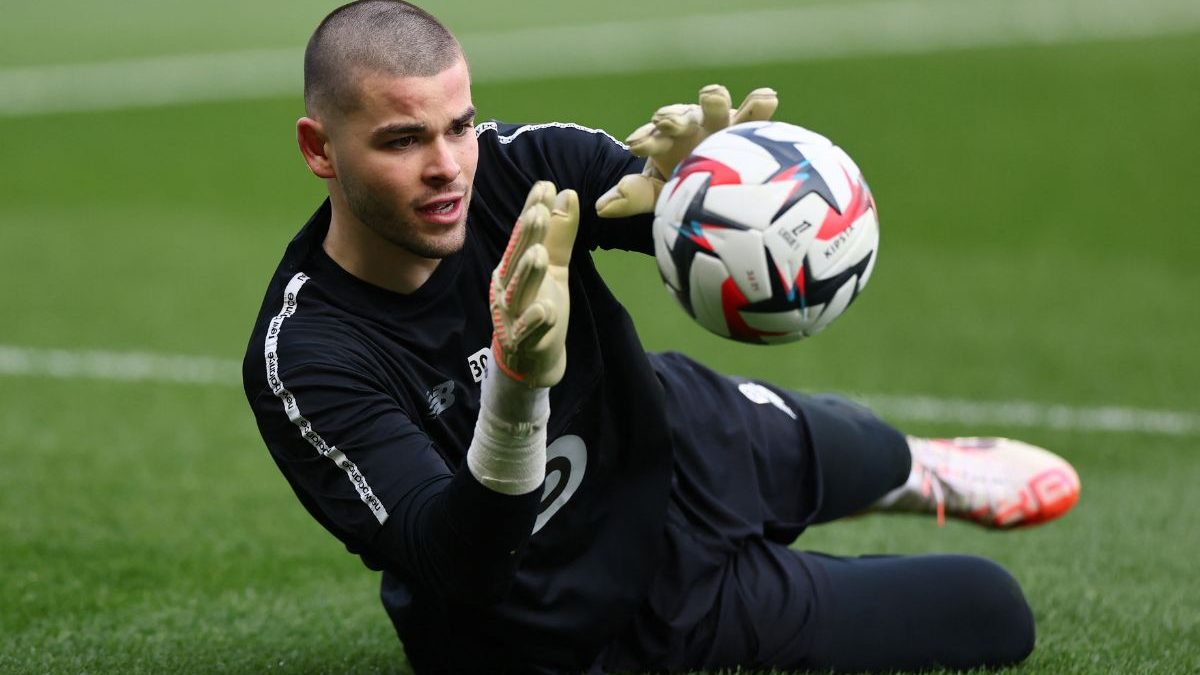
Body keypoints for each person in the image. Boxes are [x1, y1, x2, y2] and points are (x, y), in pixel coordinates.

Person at [241, 2, 1081, 673]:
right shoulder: (308, 353)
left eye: (458, 125)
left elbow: (690, 236)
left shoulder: (519, 166)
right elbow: (455, 561)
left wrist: (718, 181)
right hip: (591, 620)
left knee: (867, 452)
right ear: (321, 149)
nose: (449, 167)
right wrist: (516, 388)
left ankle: (919, 471)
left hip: (681, 439)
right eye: (402, 140)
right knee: (990, 608)